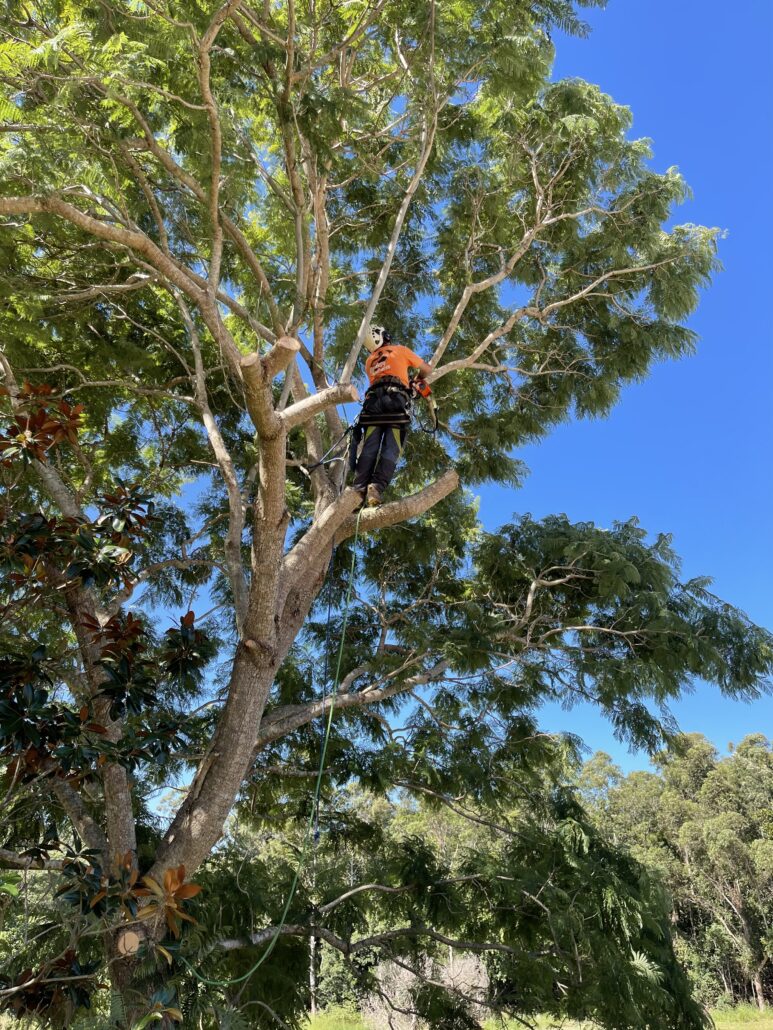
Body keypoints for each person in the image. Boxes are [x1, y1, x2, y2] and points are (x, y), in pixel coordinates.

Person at [350, 325, 432, 507]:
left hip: (372, 408)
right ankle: (376, 487)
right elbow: (426, 369)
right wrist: (415, 381)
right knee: (391, 448)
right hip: (395, 404)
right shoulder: (399, 350)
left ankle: (358, 488)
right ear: (383, 336)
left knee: (370, 446)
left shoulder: (369, 360)